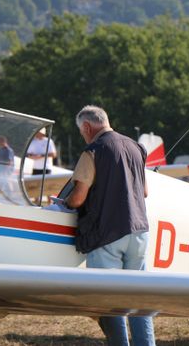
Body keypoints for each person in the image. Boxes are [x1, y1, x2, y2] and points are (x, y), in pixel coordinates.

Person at [64, 105, 155, 346]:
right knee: (138, 300)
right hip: (139, 231)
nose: (83, 137)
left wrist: (64, 202)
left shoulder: (93, 151)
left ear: (87, 127)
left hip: (107, 234)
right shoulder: (136, 148)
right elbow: (144, 192)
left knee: (108, 301)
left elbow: (78, 198)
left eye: (82, 132)